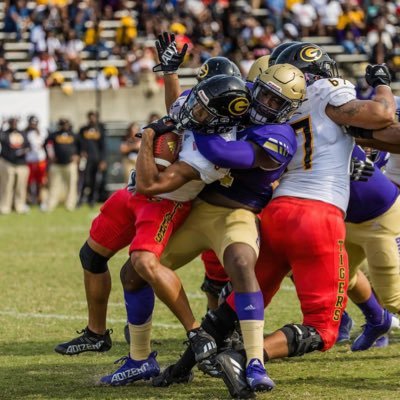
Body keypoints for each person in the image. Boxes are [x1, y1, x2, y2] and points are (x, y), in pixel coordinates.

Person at [155, 43, 397, 398]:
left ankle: (180, 368)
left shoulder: (277, 104)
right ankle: (243, 357)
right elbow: (383, 118)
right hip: (319, 213)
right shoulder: (326, 94)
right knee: (324, 329)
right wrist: (383, 86)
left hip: (276, 213)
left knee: (240, 301)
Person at [114, 63, 305, 392]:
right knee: (135, 270)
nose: (264, 103)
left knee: (243, 264)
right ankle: (140, 358)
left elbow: (225, 152)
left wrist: (197, 122)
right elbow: (183, 105)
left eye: (276, 102)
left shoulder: (280, 135)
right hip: (195, 209)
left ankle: (255, 360)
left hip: (236, 214)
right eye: (263, 93)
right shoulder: (237, 99)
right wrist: (174, 77)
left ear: (287, 109)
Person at [54, 75, 251, 363]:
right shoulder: (197, 109)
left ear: (218, 121)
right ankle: (96, 333)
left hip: (163, 203)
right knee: (91, 256)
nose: (191, 110)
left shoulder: (210, 155)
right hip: (132, 195)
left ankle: (196, 331)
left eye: (200, 111)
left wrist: (148, 138)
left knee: (144, 262)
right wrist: (171, 72)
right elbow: (176, 105)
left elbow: (151, 185)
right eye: (197, 102)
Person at [45, 118, 79, 212]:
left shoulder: (74, 135)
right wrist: (50, 156)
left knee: (71, 185)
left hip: (70, 164)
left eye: (66, 124)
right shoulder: (53, 135)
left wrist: (77, 155)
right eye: (62, 124)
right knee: (54, 185)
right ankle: (51, 204)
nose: (64, 126)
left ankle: (70, 205)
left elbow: (81, 147)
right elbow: (47, 145)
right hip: (56, 165)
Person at [0, 117, 30, 214]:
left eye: (15, 122)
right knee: (6, 186)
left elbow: (28, 146)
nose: (14, 124)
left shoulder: (22, 133)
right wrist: (2, 126)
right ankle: (5, 207)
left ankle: (19, 206)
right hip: (7, 163)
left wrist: (23, 151)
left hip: (21, 164)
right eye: (12, 122)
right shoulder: (5, 133)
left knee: (20, 187)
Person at [77, 111, 107, 206]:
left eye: (94, 117)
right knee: (85, 180)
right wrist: (81, 152)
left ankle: (92, 200)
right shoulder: (83, 130)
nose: (92, 119)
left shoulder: (100, 129)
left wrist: (103, 160)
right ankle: (81, 199)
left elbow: (103, 146)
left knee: (95, 180)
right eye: (90, 117)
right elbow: (78, 143)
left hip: (96, 159)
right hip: (86, 160)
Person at [25, 115, 47, 207]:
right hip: (29, 160)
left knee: (40, 181)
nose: (34, 125)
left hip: (40, 160)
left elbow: (47, 144)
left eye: (35, 123)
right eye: (32, 123)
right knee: (29, 182)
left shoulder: (43, 131)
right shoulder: (25, 132)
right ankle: (29, 199)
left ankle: (40, 199)